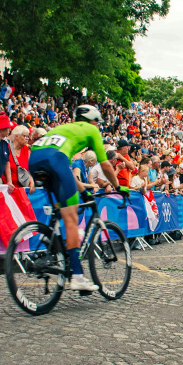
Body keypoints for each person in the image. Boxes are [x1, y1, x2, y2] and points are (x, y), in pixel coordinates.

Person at [29, 104, 126, 292]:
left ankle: (52, 251)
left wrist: (83, 191)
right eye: (97, 123)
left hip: (35, 158)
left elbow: (67, 174)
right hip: (55, 160)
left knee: (60, 211)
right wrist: (118, 186)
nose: (97, 127)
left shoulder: (63, 129)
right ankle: (78, 277)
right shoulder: (90, 130)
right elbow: (105, 165)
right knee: (71, 219)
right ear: (92, 121)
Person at [5, 124, 36, 192]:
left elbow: (28, 169)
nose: (28, 138)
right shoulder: (6, 148)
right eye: (25, 136)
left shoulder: (26, 149)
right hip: (8, 189)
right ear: (16, 136)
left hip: (22, 189)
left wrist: (32, 182)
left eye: (28, 136)